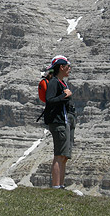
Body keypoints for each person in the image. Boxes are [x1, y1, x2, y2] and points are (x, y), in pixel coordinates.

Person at [44, 55, 75, 189]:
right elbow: (49, 100)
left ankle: (61, 185)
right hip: (58, 122)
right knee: (59, 154)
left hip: (64, 121)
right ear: (61, 67)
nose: (70, 69)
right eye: (68, 67)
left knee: (64, 156)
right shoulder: (54, 82)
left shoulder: (62, 82)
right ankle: (56, 186)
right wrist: (64, 95)